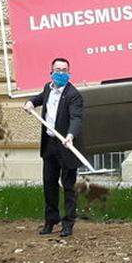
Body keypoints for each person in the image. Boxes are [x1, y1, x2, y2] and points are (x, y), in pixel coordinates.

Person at [22, 57, 83, 238]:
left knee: (68, 186)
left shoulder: (73, 95)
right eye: (58, 70)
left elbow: (76, 118)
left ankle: (68, 223)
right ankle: (51, 220)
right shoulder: (48, 88)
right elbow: (40, 98)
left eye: (64, 70)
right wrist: (31, 102)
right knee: (49, 183)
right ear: (51, 71)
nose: (61, 73)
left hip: (66, 145)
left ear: (69, 72)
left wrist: (70, 135)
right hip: (50, 145)